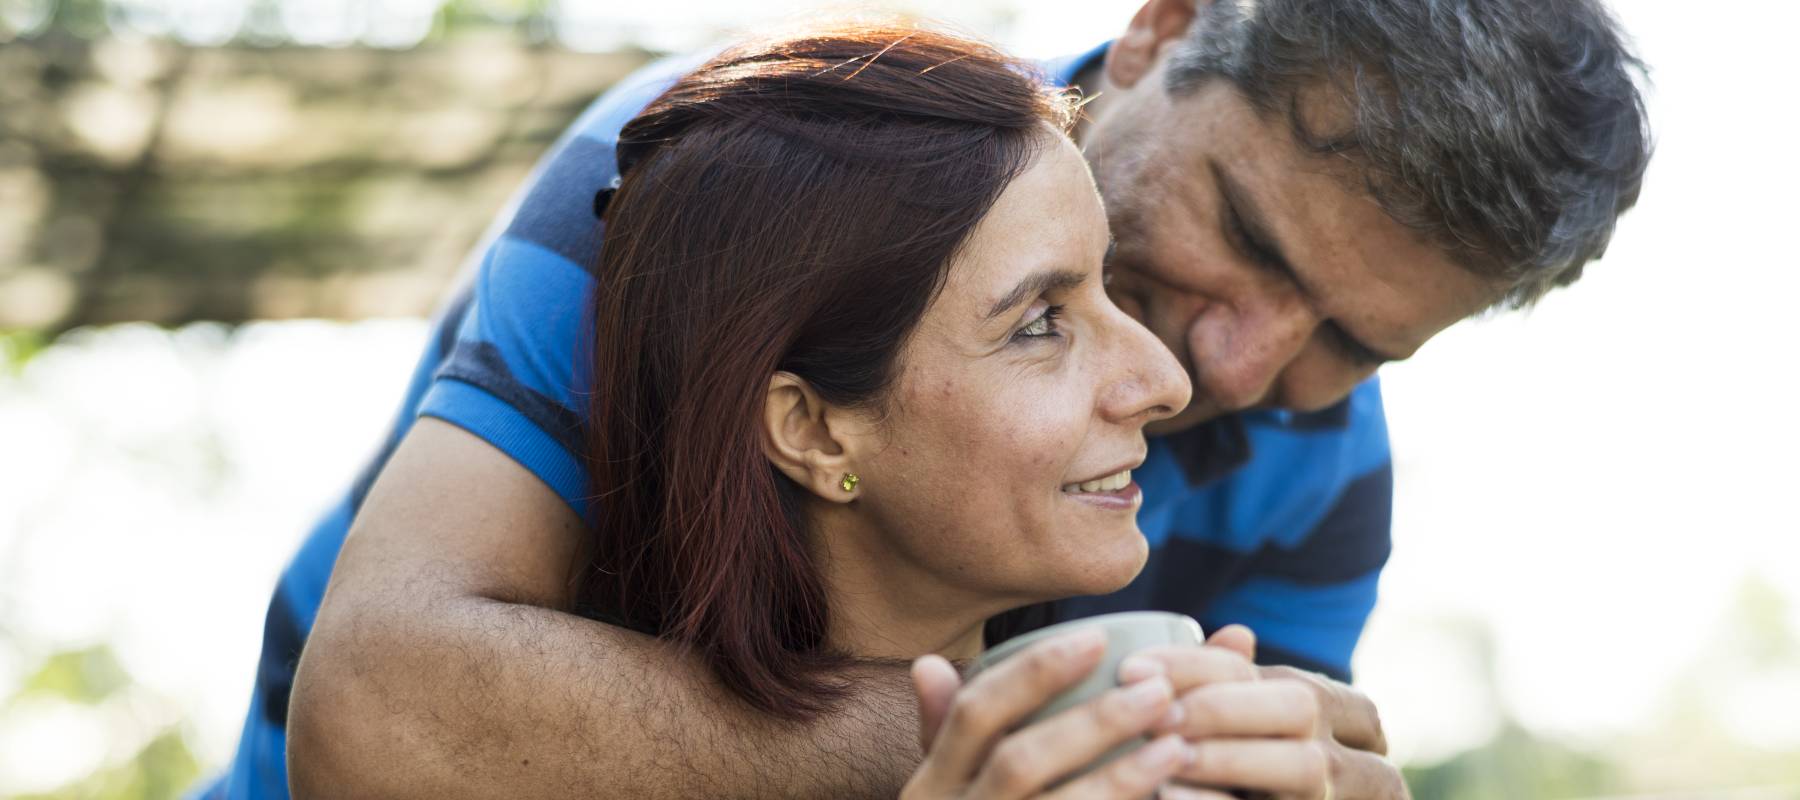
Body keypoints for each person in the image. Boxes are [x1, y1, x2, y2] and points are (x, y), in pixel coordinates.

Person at [198, 0, 1650, 797]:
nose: (1231, 371)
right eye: (1250, 242)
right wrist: (1086, 738)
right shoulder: (724, 167)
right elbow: (389, 708)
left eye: (1353, 342)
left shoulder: (1319, 469)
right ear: (1161, 33)